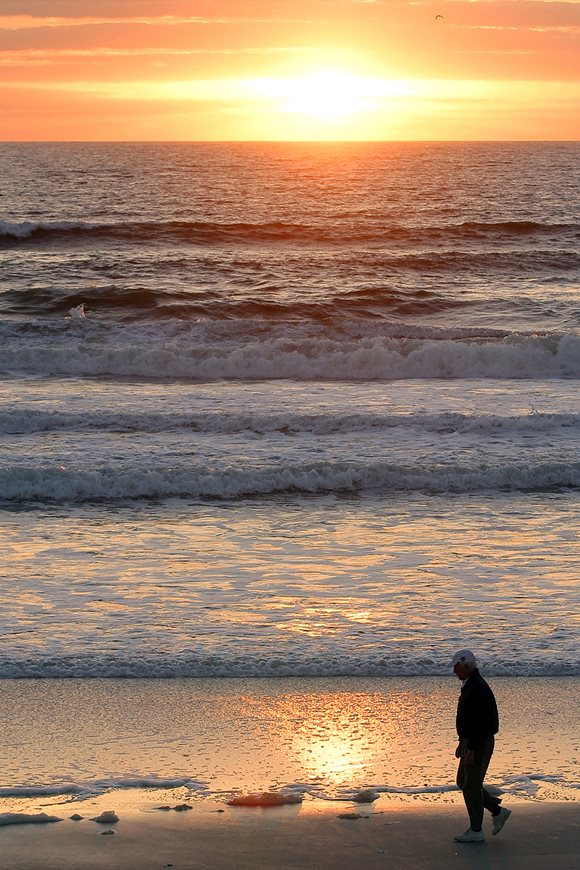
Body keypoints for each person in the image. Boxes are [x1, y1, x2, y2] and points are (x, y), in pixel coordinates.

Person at [451, 649, 511, 843]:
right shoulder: (470, 685)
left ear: (467, 666)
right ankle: (496, 810)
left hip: (479, 742)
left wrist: (473, 749)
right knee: (463, 781)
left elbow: (482, 724)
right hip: (471, 741)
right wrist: (462, 743)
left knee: (471, 786)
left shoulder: (478, 688)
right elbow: (469, 721)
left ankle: (476, 830)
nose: (454, 671)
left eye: (457, 667)